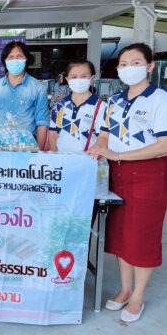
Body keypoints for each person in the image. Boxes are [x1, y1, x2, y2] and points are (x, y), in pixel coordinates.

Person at [88, 43, 167, 323]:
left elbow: (163, 145)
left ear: (149, 66)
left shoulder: (159, 99)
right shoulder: (115, 101)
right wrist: (99, 148)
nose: (128, 68)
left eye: (135, 63)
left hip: (148, 174)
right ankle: (124, 289)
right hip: (116, 174)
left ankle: (138, 296)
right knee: (120, 234)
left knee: (141, 237)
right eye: (123, 64)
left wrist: (119, 155)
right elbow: (104, 135)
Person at [0, 41, 49, 148]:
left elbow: (42, 123)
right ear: (5, 61)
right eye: (11, 57)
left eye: (19, 56)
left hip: (27, 148)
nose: (15, 60)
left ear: (26, 59)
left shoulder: (38, 87)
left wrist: (39, 152)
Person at [49, 60, 106, 152]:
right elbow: (53, 135)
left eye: (84, 76)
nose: (78, 80)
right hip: (61, 159)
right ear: (67, 80)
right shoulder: (59, 106)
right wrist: (54, 157)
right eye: (74, 77)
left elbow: (103, 138)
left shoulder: (101, 107)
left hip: (88, 159)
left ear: (92, 79)